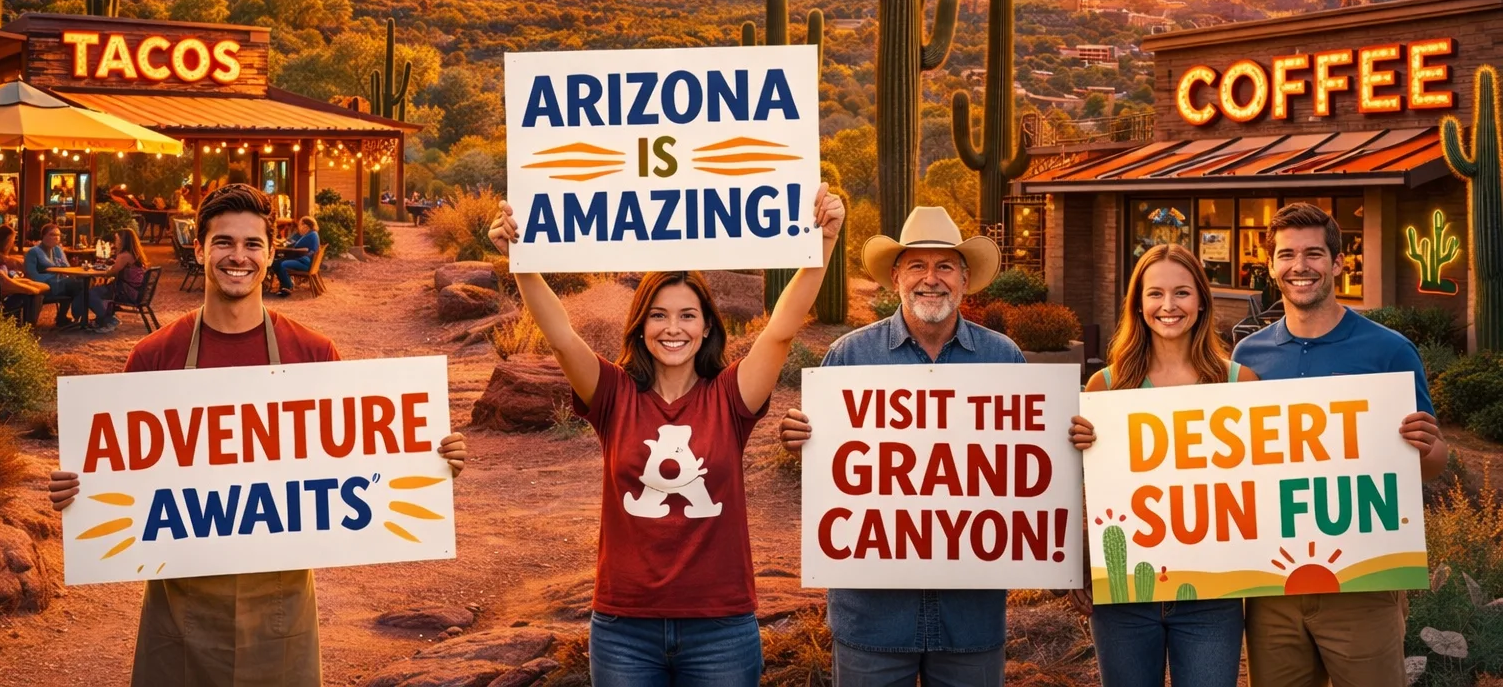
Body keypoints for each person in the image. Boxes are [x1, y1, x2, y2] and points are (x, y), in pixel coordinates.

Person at [49, 184, 468, 686]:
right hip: (177, 608)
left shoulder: (313, 353)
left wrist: (427, 458)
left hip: (281, 608)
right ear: (200, 249)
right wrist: (80, 492)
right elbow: (119, 479)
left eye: (252, 244)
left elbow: (358, 466)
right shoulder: (153, 357)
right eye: (223, 242)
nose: (238, 256)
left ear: (270, 255)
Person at [487, 185, 845, 687]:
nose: (671, 328)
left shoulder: (730, 396)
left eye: (686, 315)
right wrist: (520, 258)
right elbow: (562, 335)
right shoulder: (612, 394)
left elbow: (781, 330)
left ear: (705, 328)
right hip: (624, 628)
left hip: (721, 626)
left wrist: (823, 244)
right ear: (640, 326)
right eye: (658, 314)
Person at [779, 206, 1021, 687]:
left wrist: (1068, 439)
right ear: (896, 277)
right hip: (872, 620)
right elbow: (832, 469)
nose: (931, 279)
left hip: (970, 621)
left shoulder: (1003, 357)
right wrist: (800, 440)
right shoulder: (848, 357)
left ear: (965, 280)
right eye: (917, 265)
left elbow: (1023, 470)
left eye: (945, 266)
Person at [1228, 202, 1446, 687]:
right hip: (1272, 583)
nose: (1299, 266)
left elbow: (1430, 463)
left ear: (1338, 261)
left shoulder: (1388, 350)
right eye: (1286, 255)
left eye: (1313, 253)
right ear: (1270, 266)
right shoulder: (1248, 355)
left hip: (1363, 580)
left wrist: (1428, 448)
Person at [1066, 243, 1259, 686]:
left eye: (1182, 293)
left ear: (1202, 301)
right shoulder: (1106, 386)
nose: (1168, 306)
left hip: (1212, 594)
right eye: (1155, 294)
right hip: (1124, 595)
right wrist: (1074, 558)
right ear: (1138, 304)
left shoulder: (1239, 382)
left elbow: (1262, 484)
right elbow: (1080, 488)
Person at [88, 226, 149, 333]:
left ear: (123, 241)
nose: (115, 242)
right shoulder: (134, 254)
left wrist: (102, 269)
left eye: (117, 239)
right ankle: (101, 319)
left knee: (91, 293)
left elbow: (112, 273)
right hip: (136, 290)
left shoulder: (124, 256)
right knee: (97, 290)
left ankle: (108, 319)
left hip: (127, 291)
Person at [23, 222, 78, 326]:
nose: (56, 238)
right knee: (77, 286)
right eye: (52, 235)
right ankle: (74, 317)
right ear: (43, 236)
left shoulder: (58, 249)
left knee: (83, 284)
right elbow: (32, 274)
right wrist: (52, 279)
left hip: (61, 283)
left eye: (58, 235)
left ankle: (67, 317)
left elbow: (66, 267)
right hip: (44, 286)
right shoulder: (33, 252)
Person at [272, 216, 320, 297]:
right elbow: (291, 243)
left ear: (305, 226)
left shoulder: (310, 235)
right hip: (307, 262)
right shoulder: (312, 234)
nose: (299, 228)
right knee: (278, 262)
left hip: (305, 263)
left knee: (282, 264)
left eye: (300, 225)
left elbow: (293, 246)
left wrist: (280, 243)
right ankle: (286, 285)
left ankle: (288, 286)